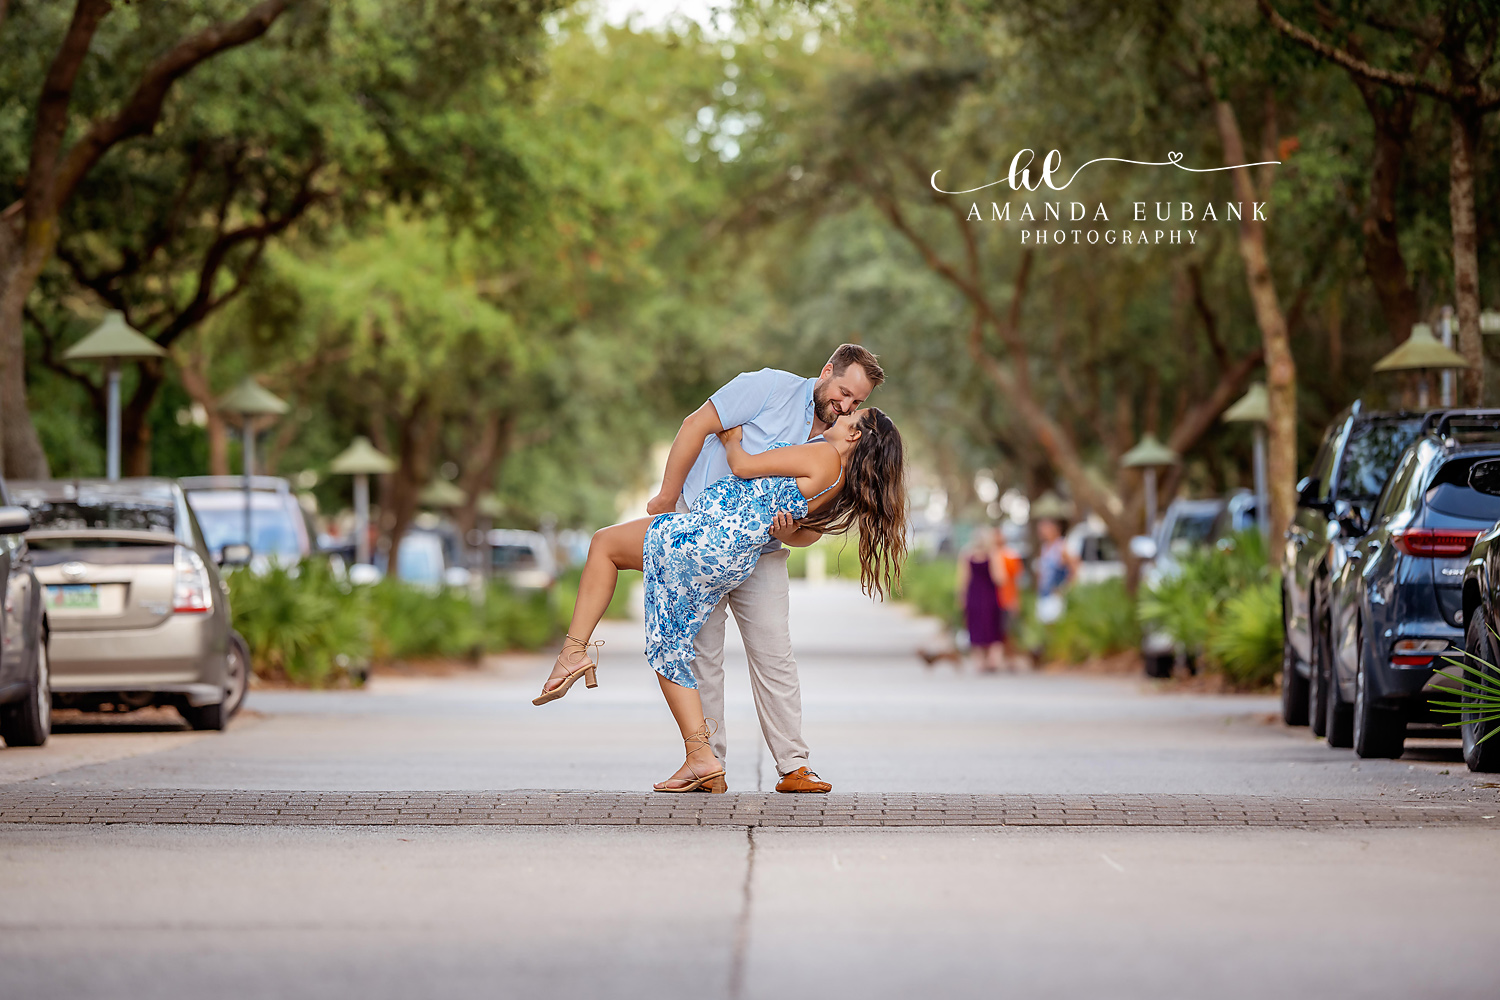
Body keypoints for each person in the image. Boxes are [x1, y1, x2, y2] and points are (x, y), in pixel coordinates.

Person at [533, 406, 907, 795]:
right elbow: (805, 535)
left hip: (706, 537)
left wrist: (732, 439)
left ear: (856, 436)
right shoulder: (840, 483)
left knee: (604, 545)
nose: (840, 417)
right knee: (671, 645)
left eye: (851, 417)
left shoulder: (823, 455)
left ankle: (574, 652)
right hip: (734, 557)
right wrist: (785, 524)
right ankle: (701, 758)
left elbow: (744, 465)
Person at [956, 527, 1006, 672]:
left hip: (980, 595)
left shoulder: (969, 554)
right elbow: (1000, 578)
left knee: (984, 626)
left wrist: (961, 597)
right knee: (986, 626)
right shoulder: (983, 554)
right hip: (985, 595)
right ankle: (989, 660)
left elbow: (963, 579)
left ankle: (986, 661)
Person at [1033, 518, 1078, 626]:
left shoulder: (1061, 546)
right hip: (1043, 593)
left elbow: (1075, 567)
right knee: (1045, 626)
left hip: (1055, 595)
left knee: (1055, 625)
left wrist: (1065, 588)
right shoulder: (1044, 547)